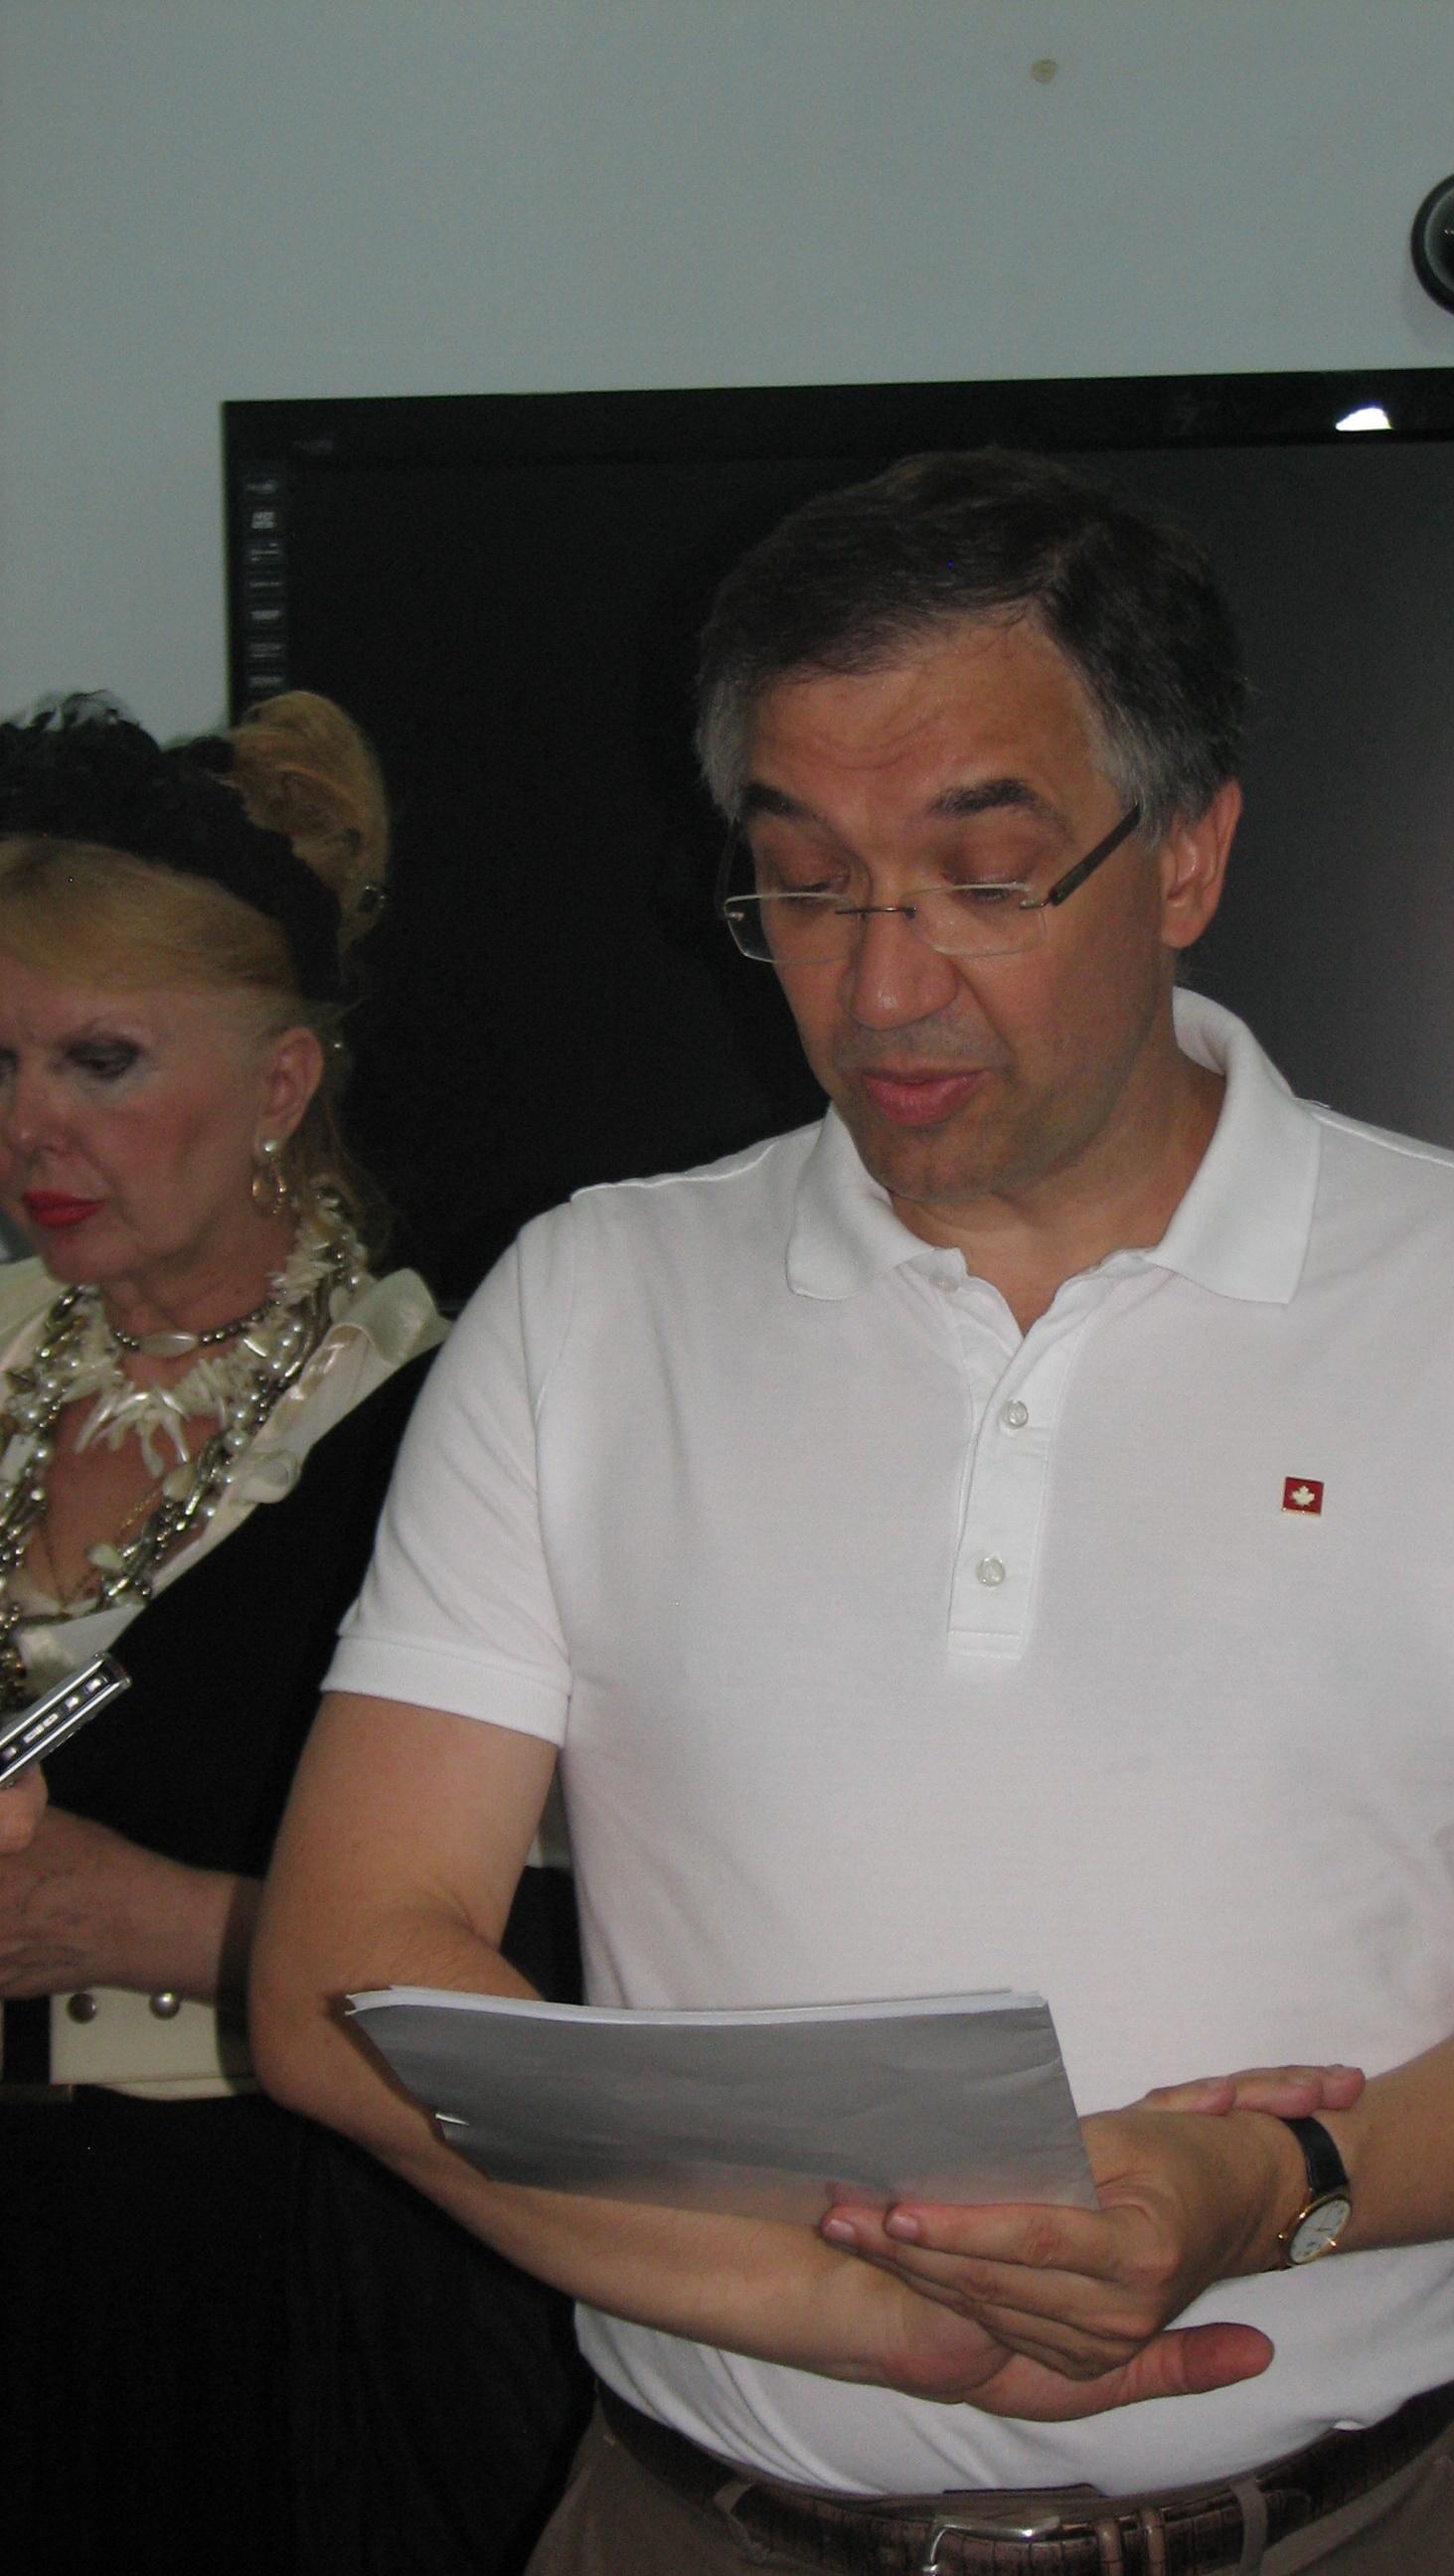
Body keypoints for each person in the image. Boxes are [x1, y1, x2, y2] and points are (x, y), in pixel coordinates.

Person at [253, 450, 1454, 2576]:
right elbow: (342, 1976)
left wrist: (1277, 2189)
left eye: (985, 881)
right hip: (704, 2521)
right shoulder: (595, 1301)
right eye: (805, 883)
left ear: (1187, 854)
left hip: (1354, 2525)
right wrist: (851, 2313)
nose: (882, 989)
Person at [0, 696, 583, 2575]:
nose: (28, 1127)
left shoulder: (452, 1417)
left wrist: (174, 1926)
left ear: (279, 1088)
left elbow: (602, 1961)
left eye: (99, 1061)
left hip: (282, 2274)